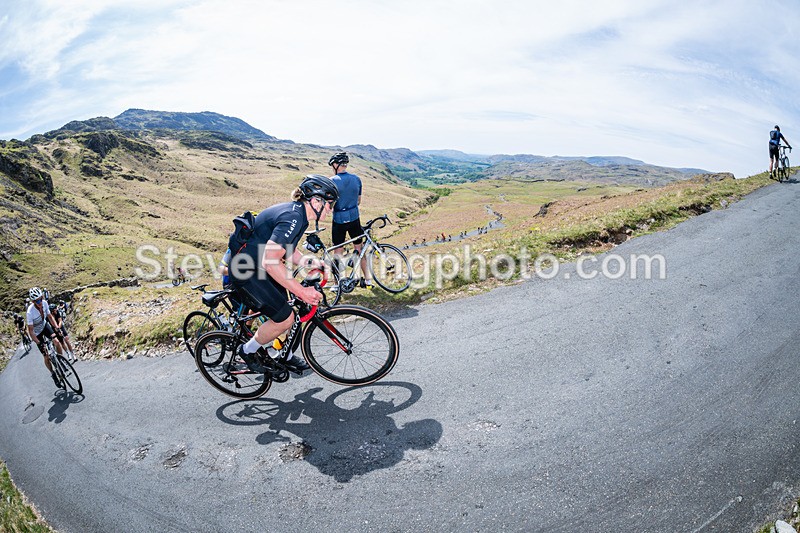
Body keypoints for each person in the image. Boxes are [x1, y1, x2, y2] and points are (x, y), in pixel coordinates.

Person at [228, 174, 337, 374]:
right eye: (330, 204)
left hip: (259, 268)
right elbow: (270, 261)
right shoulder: (294, 217)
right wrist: (303, 292)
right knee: (285, 318)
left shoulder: (300, 216)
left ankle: (284, 355)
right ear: (316, 201)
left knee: (291, 307)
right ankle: (247, 350)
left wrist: (312, 262)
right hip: (246, 272)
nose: (331, 209)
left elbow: (288, 251)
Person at [328, 152, 371, 288]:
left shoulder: (332, 181)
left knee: (338, 253)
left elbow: (330, 204)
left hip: (339, 220)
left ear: (336, 165)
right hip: (354, 219)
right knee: (360, 248)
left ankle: (336, 284)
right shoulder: (356, 179)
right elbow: (358, 201)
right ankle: (368, 280)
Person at [26, 287, 66, 388]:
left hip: (44, 326)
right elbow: (30, 331)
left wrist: (57, 328)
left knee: (56, 341)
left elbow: (50, 317)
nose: (40, 302)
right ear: (33, 301)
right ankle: (53, 373)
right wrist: (39, 343)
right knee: (46, 356)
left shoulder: (44, 303)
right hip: (36, 332)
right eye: (37, 300)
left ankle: (60, 360)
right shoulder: (30, 312)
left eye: (41, 298)